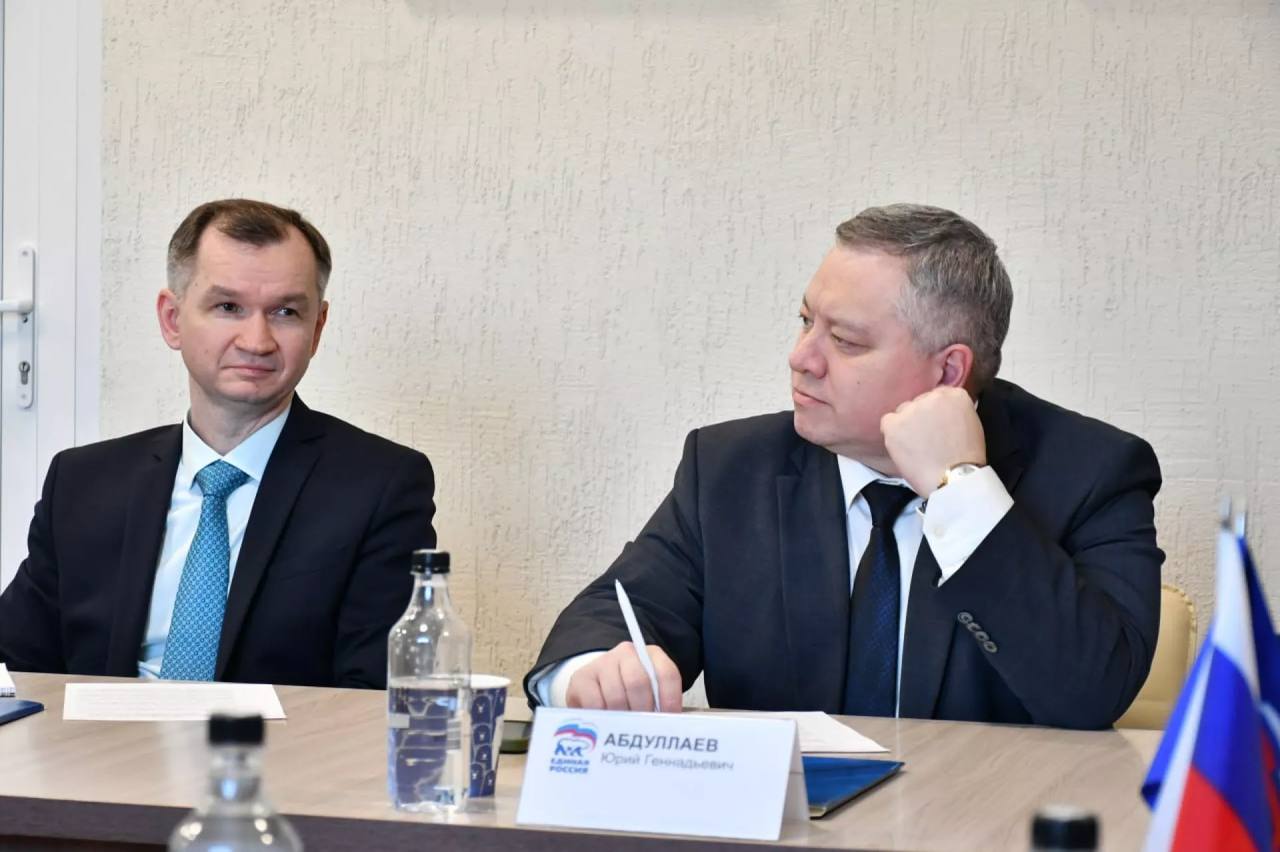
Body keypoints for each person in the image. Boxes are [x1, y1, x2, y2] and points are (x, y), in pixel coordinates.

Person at [526, 203, 1163, 729]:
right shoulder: (729, 470)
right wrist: (591, 675)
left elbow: (1090, 694)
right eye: (806, 322)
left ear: (948, 370)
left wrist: (962, 491)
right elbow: (610, 619)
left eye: (845, 340)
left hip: (984, 822)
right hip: (788, 824)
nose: (801, 358)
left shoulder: (1091, 473)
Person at [0, 199, 435, 688]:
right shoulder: (83, 482)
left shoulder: (379, 487)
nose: (257, 341)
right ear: (172, 319)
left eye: (286, 312)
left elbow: (371, 697)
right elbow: (14, 666)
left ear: (317, 329)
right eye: (228, 307)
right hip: (97, 736)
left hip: (280, 739)